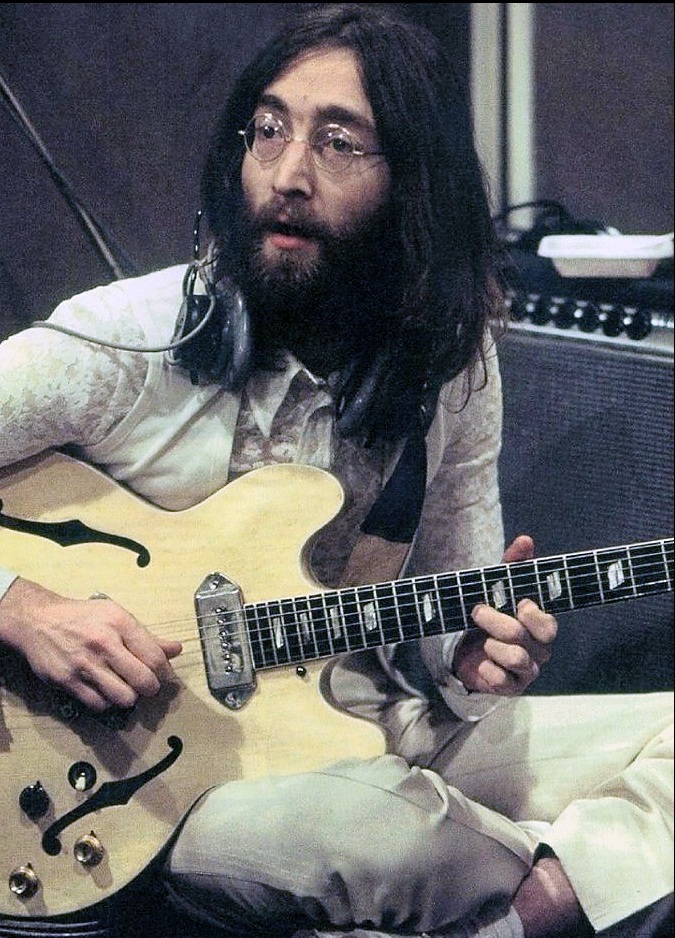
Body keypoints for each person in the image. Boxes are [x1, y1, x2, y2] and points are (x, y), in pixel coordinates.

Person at [0, 4, 672, 938]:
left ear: (414, 185)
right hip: (183, 790)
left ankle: (530, 906)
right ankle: (570, 878)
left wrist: (472, 662)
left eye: (338, 143)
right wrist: (23, 607)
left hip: (367, 726)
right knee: (373, 833)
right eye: (268, 130)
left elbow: (452, 609)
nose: (286, 174)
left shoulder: (451, 363)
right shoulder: (130, 337)